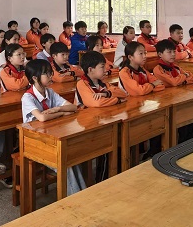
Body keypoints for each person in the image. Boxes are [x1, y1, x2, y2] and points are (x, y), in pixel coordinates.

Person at [22, 59, 83, 193]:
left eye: (51, 73)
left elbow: (73, 107)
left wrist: (57, 109)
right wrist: (62, 113)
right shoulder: (27, 97)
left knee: (73, 157)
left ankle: (82, 194)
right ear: (34, 78)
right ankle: (77, 199)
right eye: (47, 74)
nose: (51, 76)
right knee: (65, 163)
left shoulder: (50, 92)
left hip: (50, 138)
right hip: (34, 142)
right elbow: (42, 117)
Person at [75, 50, 128, 182]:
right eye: (102, 67)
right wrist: (117, 100)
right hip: (86, 125)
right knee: (108, 145)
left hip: (101, 120)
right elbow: (96, 103)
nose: (106, 70)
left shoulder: (103, 84)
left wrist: (106, 94)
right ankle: (102, 180)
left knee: (121, 139)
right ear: (90, 69)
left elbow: (123, 93)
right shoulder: (82, 84)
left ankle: (117, 175)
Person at [118, 41, 166, 158]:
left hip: (143, 105)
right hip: (128, 110)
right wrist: (151, 86)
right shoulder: (124, 72)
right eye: (141, 54)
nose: (145, 56)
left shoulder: (142, 70)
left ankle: (153, 152)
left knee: (160, 119)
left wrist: (148, 87)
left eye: (145, 53)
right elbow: (138, 91)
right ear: (130, 57)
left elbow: (161, 85)